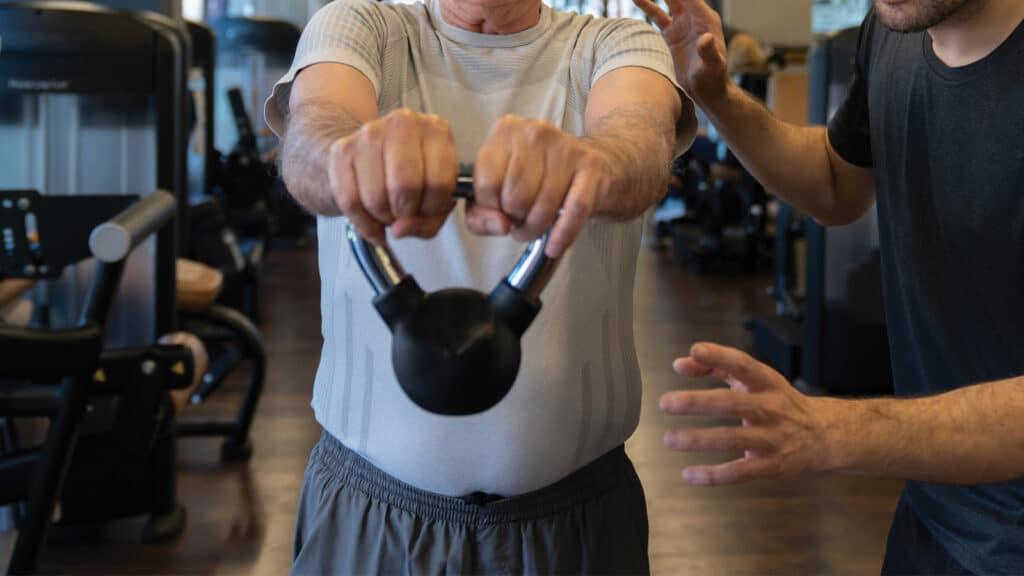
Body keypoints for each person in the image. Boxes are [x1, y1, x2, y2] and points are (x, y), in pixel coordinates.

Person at [266, 0, 696, 573]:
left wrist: (591, 163)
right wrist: (349, 158)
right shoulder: (359, 25)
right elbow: (312, 134)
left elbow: (638, 140)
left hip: (578, 523)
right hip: (369, 512)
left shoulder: (618, 43)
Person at [632, 0, 1024, 573]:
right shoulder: (892, 32)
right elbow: (837, 183)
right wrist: (717, 94)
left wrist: (832, 429)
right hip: (936, 514)